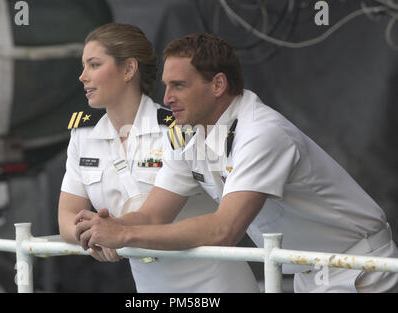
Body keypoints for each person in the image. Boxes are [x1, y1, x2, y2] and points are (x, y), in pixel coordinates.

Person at [74, 33, 398, 293]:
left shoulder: (262, 133)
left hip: (361, 270)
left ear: (218, 85)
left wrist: (124, 236)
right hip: (308, 272)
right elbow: (153, 214)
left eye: (179, 85)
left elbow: (224, 229)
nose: (167, 96)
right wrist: (108, 228)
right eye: (166, 85)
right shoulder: (185, 134)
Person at [58, 24, 259, 293]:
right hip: (149, 285)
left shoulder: (181, 128)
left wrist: (112, 232)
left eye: (94, 65)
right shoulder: (82, 136)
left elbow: (231, 206)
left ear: (129, 69)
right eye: (83, 66)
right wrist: (94, 237)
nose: (82, 76)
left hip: (214, 282)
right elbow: (65, 218)